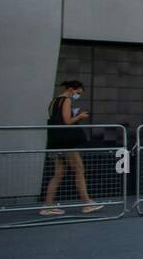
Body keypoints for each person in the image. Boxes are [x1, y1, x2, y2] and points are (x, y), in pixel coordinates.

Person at [40, 80, 103, 215]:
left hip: (54, 140)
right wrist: (80, 116)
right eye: (77, 93)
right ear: (71, 89)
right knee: (79, 169)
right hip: (66, 141)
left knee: (59, 173)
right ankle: (86, 203)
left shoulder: (54, 101)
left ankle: (48, 205)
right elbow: (67, 121)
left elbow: (56, 118)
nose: (77, 96)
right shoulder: (66, 100)